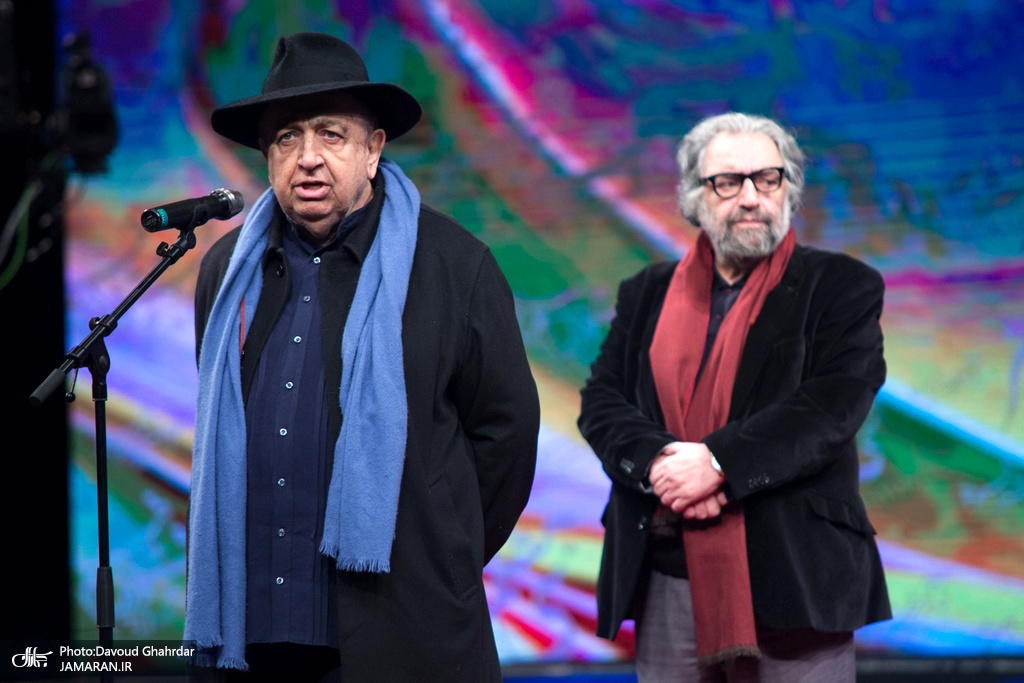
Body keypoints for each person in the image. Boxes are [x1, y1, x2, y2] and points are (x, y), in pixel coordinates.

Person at [187, 32, 540, 682]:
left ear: (373, 149)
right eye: (287, 138)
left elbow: (507, 437)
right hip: (255, 635)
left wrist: (439, 554)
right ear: (266, 156)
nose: (309, 158)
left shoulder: (454, 266)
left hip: (403, 630)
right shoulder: (224, 272)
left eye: (331, 134)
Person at [578, 112, 891, 682]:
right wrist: (659, 463)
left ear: (789, 190)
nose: (750, 197)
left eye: (767, 179)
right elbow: (601, 400)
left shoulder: (842, 286)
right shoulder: (646, 292)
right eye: (727, 182)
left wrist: (718, 463)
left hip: (795, 576)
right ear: (694, 198)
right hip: (666, 571)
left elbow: (831, 406)